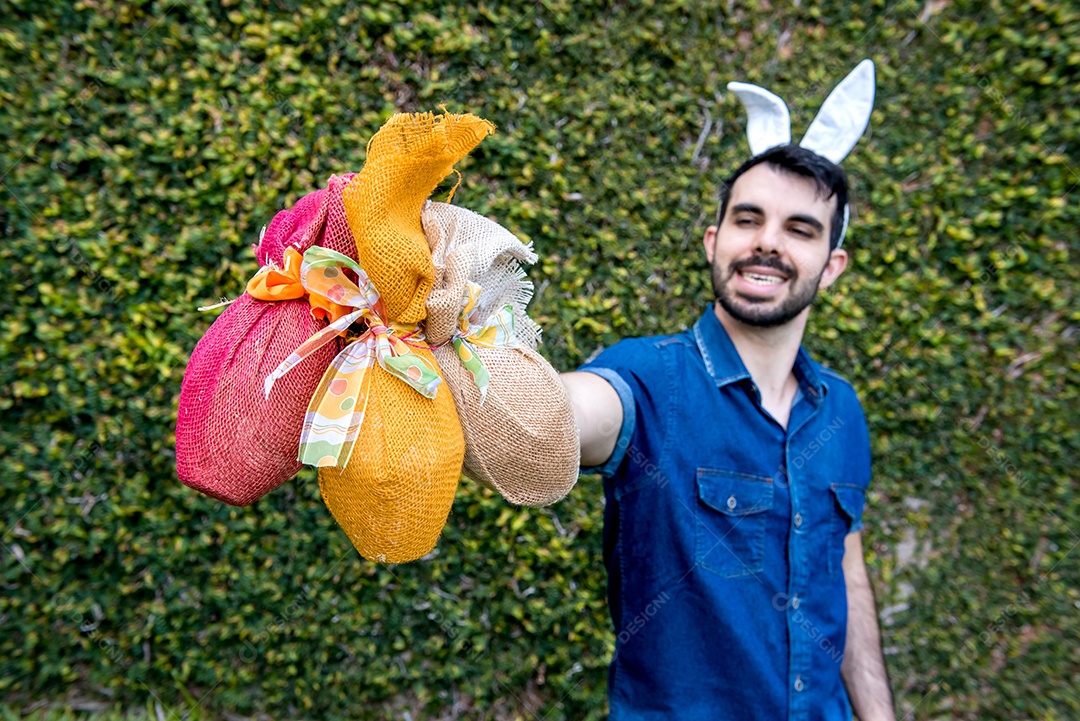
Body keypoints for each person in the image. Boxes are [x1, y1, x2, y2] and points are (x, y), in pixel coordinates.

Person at [559, 62, 896, 720]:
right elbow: (560, 414)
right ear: (715, 241)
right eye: (748, 219)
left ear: (831, 266)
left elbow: (846, 575)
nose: (767, 243)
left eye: (799, 229)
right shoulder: (648, 377)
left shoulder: (842, 410)